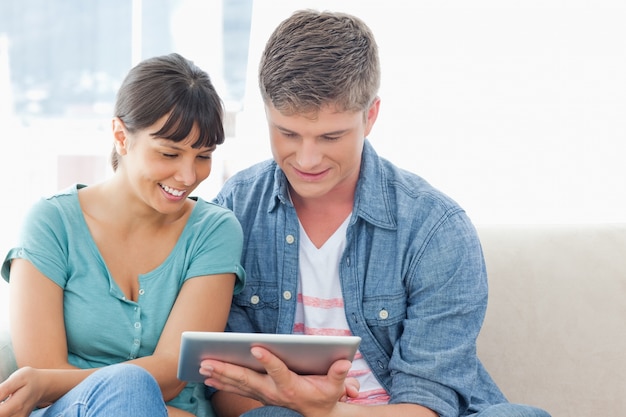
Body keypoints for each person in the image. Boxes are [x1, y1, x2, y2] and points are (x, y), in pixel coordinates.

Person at [202, 9, 551, 417]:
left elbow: (427, 404)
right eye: (287, 133)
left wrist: (322, 410)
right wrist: (293, 404)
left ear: (371, 116)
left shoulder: (435, 229)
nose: (306, 158)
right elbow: (223, 383)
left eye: (331, 136)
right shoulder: (236, 209)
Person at [0, 52, 245, 417]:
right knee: (129, 389)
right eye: (169, 153)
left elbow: (173, 374)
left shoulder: (215, 231)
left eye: (203, 156)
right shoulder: (51, 223)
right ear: (121, 136)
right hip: (73, 411)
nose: (188, 176)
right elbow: (43, 383)